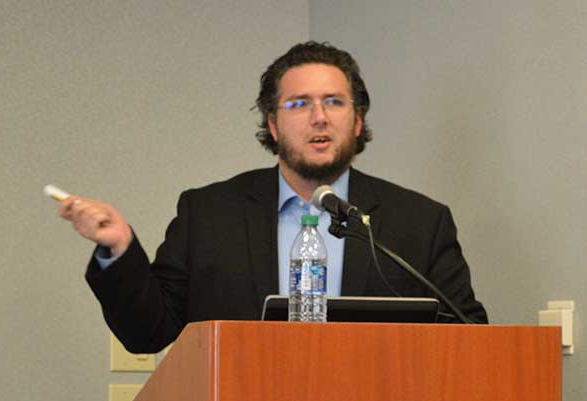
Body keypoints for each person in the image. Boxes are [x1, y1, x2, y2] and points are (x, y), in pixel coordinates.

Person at [58, 41, 488, 352]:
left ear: (358, 121)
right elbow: (148, 332)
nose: (319, 117)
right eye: (299, 104)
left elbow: (471, 339)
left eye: (334, 102)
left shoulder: (419, 222)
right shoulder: (209, 214)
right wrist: (119, 249)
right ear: (273, 124)